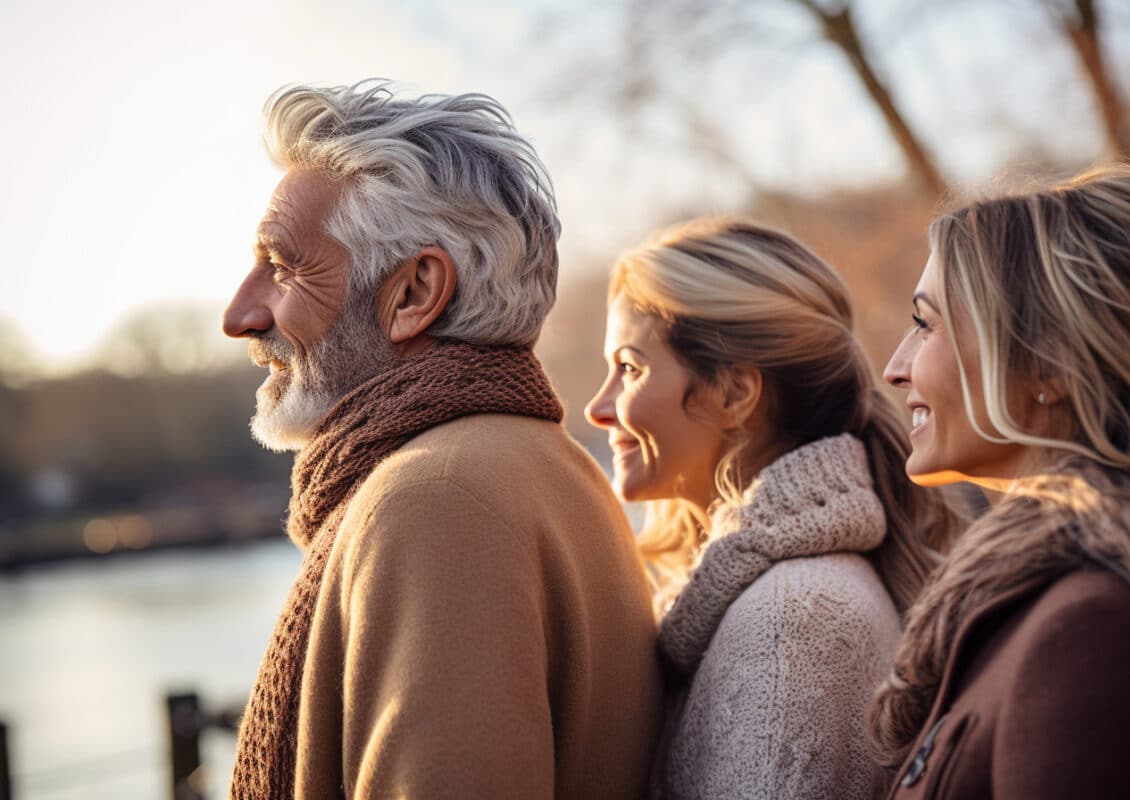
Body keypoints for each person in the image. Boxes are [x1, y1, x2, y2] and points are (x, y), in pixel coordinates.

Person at [220, 81, 662, 799]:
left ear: (416, 291)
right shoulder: (537, 462)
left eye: (281, 266)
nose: (240, 314)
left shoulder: (435, 501)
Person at [584, 218, 954, 799]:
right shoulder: (759, 595)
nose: (597, 408)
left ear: (734, 394)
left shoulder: (791, 625)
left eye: (630, 368)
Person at [873, 165, 1130, 798]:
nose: (894, 368)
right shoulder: (1050, 592)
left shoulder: (1094, 632)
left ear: (1048, 365)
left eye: (927, 323)